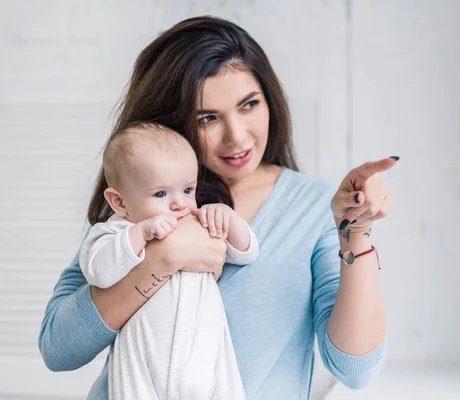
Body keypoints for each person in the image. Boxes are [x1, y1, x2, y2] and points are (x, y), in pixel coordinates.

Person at [39, 16, 396, 399]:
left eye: (249, 105)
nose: (237, 136)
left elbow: (355, 368)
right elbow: (58, 348)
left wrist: (354, 232)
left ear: (270, 99)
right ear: (173, 121)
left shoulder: (311, 208)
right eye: (207, 118)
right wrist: (162, 259)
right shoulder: (145, 204)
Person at [80, 122, 255, 399]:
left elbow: (247, 252)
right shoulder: (115, 231)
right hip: (143, 364)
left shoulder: (200, 221)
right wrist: (139, 235)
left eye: (187, 190)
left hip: (205, 357)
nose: (179, 204)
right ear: (119, 202)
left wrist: (227, 218)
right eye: (161, 194)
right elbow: (99, 272)